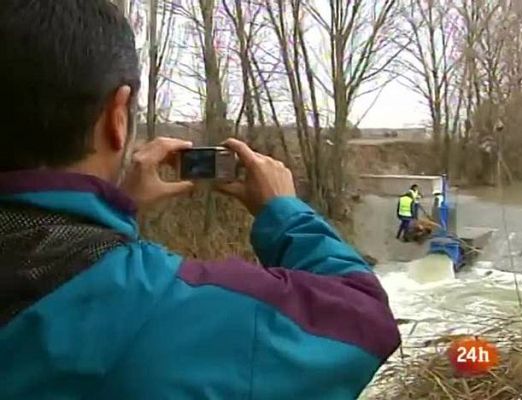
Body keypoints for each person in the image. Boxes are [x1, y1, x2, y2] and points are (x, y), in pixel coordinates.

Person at [0, 1, 400, 399]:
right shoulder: (155, 307)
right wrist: (285, 213)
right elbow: (365, 320)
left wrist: (100, 223)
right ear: (116, 118)